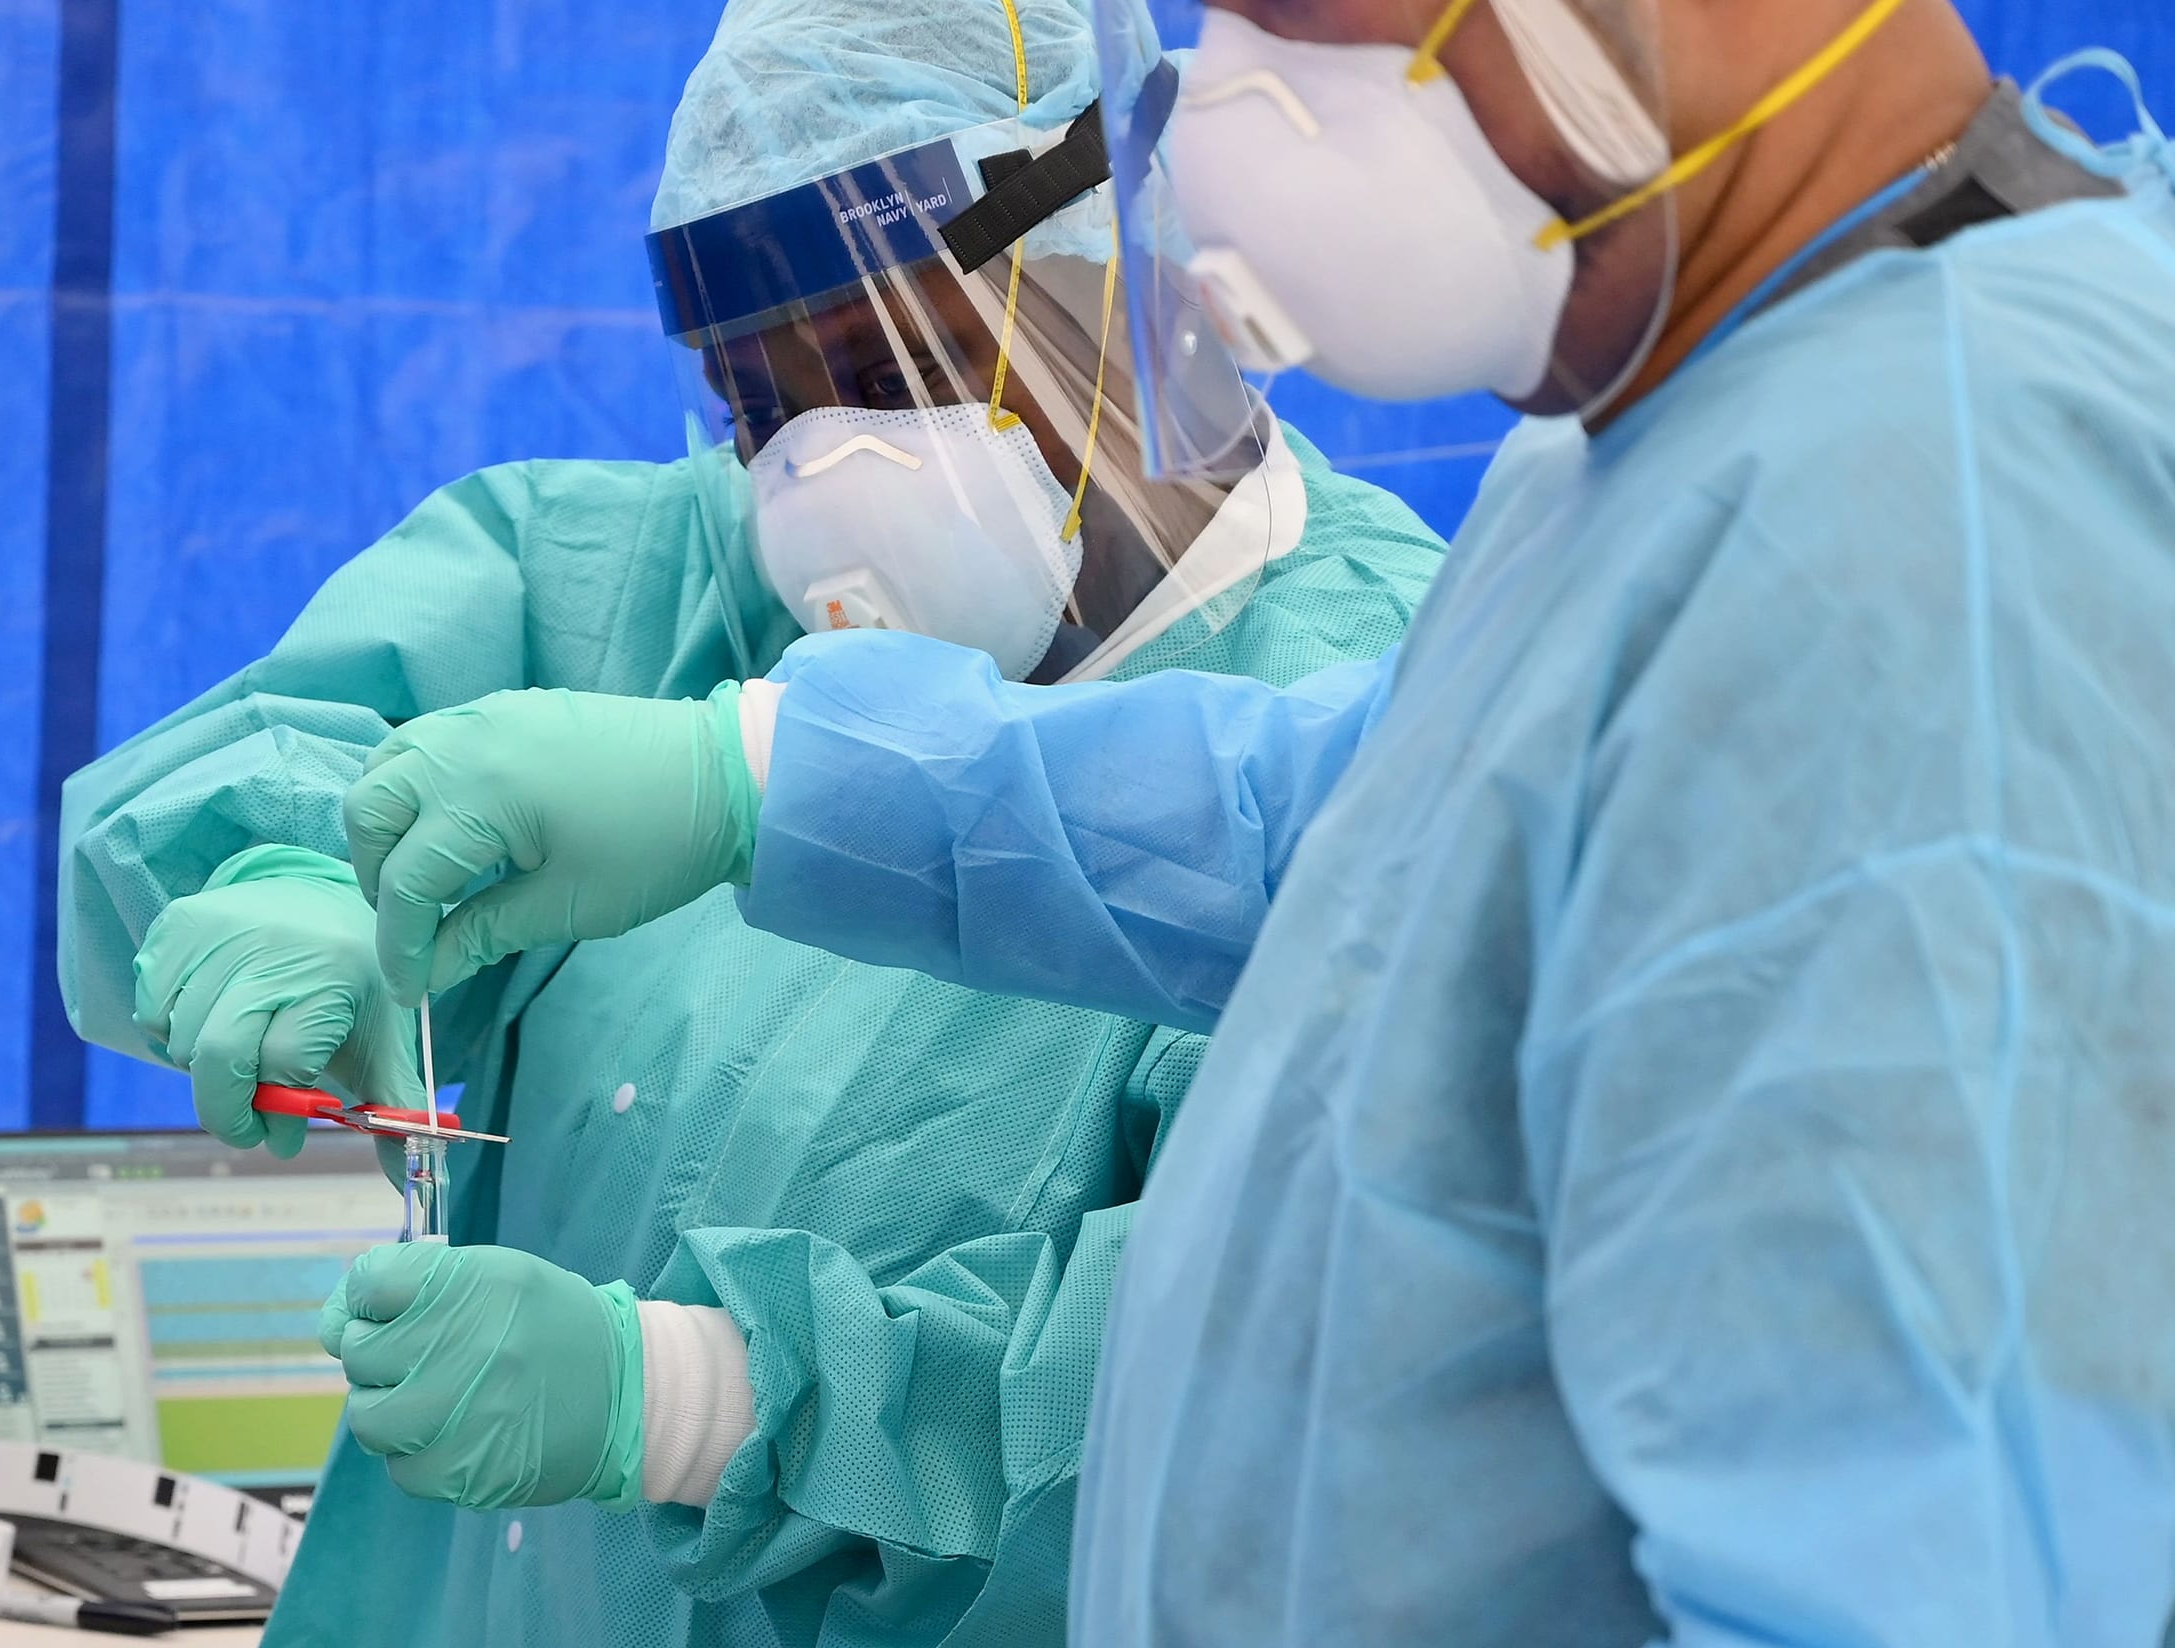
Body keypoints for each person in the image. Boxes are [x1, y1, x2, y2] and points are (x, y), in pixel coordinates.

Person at [329, 1, 2175, 1643]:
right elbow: (1360, 826)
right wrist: (766, 780)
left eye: (1298, 19)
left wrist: (691, 1396)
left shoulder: (1924, 526)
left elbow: (1910, 1538)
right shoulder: (1671, 421)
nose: (1218, 124)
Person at [56, 1, 1446, 1643]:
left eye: (888, 369)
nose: (818, 474)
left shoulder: (1389, 719)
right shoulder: (685, 588)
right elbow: (294, 742)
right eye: (749, 406)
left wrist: (704, 1397)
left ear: (1133, 284)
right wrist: (297, 877)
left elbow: (1264, 1392)